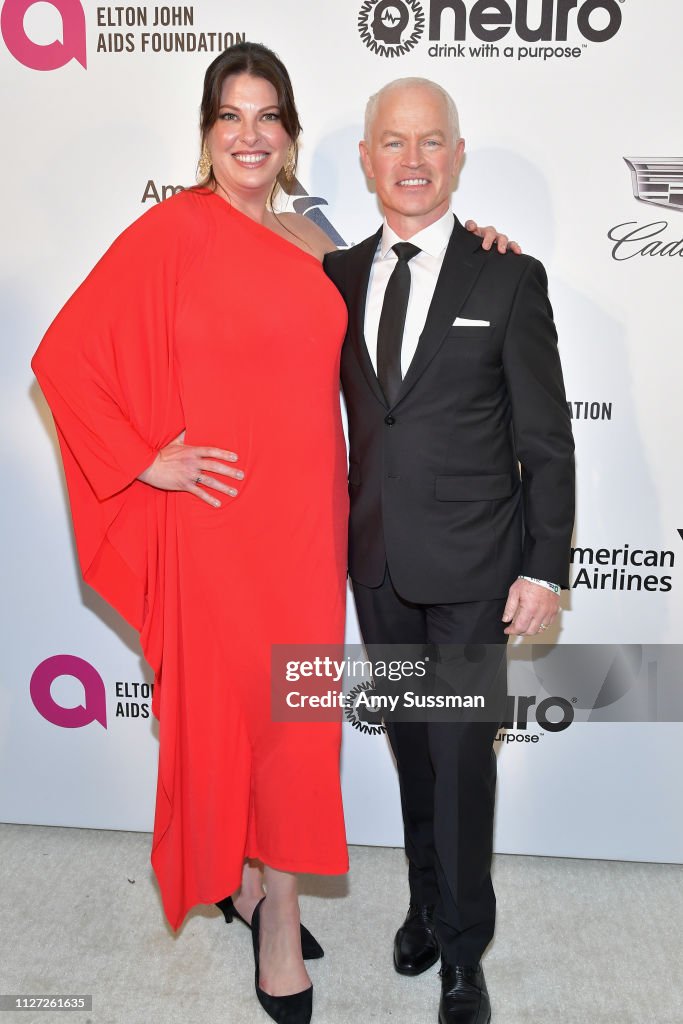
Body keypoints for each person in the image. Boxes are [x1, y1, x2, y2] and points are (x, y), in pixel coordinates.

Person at [31, 45, 516, 1024]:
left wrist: (484, 251)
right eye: (229, 116)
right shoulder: (171, 229)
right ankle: (277, 916)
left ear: (289, 134)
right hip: (215, 525)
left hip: (306, 524)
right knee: (236, 712)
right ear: (208, 134)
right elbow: (65, 355)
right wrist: (142, 456)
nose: (249, 134)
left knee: (290, 719)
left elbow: (406, 291)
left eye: (267, 117)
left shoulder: (316, 238)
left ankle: (255, 886)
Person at [324, 79, 575, 1024]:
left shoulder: (508, 275)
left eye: (433, 142)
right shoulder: (336, 276)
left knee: (464, 758)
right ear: (366, 159)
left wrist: (544, 567)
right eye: (393, 142)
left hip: (477, 569)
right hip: (379, 563)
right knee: (412, 754)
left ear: (458, 155)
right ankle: (425, 902)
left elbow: (546, 438)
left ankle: (464, 953)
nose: (414, 160)